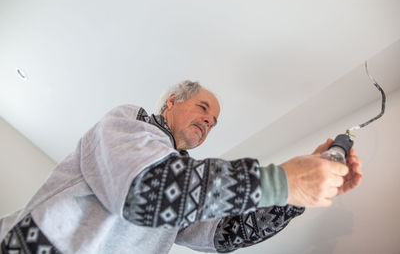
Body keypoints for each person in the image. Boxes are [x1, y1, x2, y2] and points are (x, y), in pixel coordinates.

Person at [0, 81, 362, 254]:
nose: (209, 121)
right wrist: (283, 180)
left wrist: (296, 198)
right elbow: (147, 190)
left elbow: (228, 233)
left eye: (215, 121)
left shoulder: (189, 188)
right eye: (203, 108)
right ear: (172, 101)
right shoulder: (130, 121)